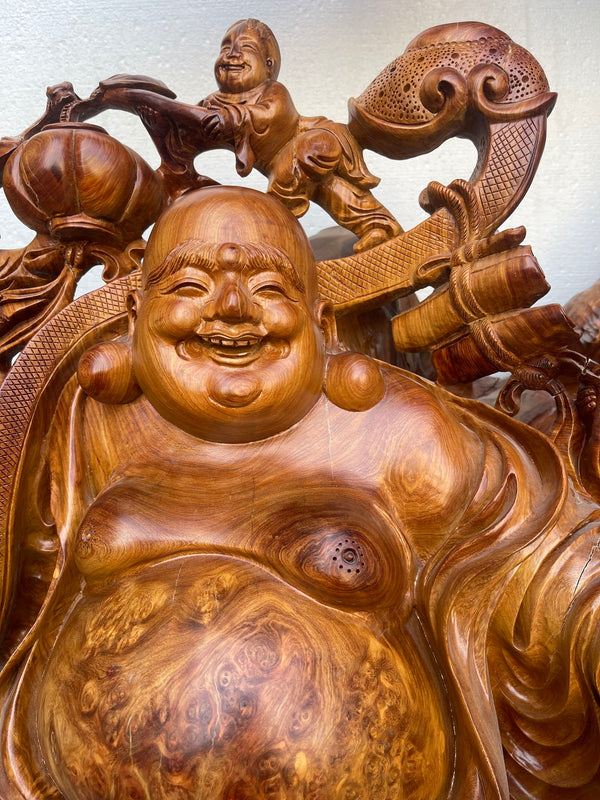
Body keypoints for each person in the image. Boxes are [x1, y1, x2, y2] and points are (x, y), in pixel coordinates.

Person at [0, 186, 599, 800]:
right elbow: (26, 582)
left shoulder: (397, 431)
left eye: (267, 288)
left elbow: (539, 560)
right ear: (134, 315)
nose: (231, 307)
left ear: (321, 322)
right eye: (188, 287)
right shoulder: (84, 422)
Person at [199, 19, 402, 252]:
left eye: (245, 48)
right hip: (293, 161)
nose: (231, 55)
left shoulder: (272, 91)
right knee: (328, 188)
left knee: (278, 201)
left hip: (313, 139)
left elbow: (268, 115)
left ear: (268, 65)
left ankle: (273, 246)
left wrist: (233, 117)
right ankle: (378, 228)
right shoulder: (214, 102)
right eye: (225, 48)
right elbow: (195, 124)